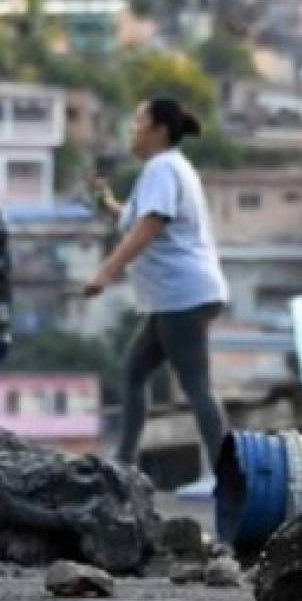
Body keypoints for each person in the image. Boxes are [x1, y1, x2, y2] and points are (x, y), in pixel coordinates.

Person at [84, 97, 229, 483]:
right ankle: (124, 464)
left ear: (159, 131)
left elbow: (149, 227)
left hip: (182, 295)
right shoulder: (161, 171)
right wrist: (107, 204)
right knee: (133, 372)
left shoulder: (163, 168)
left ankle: (228, 471)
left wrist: (105, 272)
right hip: (174, 297)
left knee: (196, 386)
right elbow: (134, 218)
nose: (132, 131)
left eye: (138, 123)